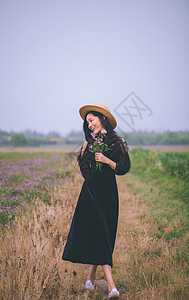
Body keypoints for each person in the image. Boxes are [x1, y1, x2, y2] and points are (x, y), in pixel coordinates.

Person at [62, 104, 131, 299]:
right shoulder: (89, 144)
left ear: (102, 118)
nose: (89, 125)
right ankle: (111, 286)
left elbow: (124, 168)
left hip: (108, 194)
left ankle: (90, 278)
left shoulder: (117, 142)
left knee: (104, 234)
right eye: (87, 122)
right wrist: (84, 154)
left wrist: (107, 160)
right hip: (90, 194)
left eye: (91, 120)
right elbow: (86, 175)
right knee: (101, 234)